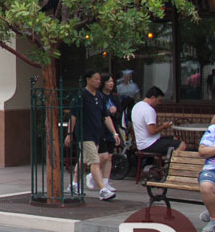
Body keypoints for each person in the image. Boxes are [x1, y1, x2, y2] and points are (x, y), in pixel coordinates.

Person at [65, 71, 120, 201]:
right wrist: (69, 134)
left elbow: (105, 116)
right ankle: (103, 189)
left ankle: (74, 183)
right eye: (95, 79)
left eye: (99, 79)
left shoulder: (100, 96)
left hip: (96, 133)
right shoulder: (82, 95)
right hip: (85, 134)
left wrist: (114, 132)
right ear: (88, 79)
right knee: (94, 161)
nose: (98, 82)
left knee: (83, 159)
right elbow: (73, 116)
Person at [131, 86, 186, 156]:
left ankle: (168, 160)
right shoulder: (149, 110)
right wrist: (164, 126)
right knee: (182, 145)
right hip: (150, 144)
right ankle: (171, 164)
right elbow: (152, 131)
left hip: (141, 144)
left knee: (174, 138)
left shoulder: (136, 106)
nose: (159, 103)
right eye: (159, 100)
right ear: (153, 98)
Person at [93, 73, 120, 190]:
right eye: (108, 81)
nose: (111, 84)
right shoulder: (99, 96)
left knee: (110, 156)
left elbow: (120, 111)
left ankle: (105, 181)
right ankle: (93, 173)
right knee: (102, 156)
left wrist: (115, 111)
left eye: (112, 81)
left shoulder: (114, 96)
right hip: (101, 129)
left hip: (112, 127)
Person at [197, 114, 215, 232]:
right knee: (206, 187)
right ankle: (213, 220)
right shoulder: (213, 130)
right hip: (211, 169)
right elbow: (202, 151)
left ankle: (211, 210)